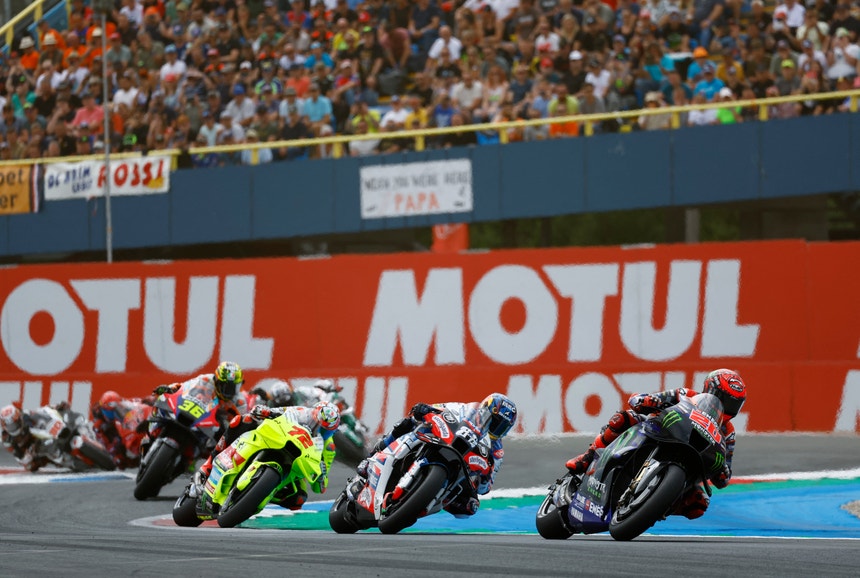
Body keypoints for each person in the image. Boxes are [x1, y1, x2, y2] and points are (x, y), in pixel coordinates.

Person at [565, 368, 747, 519]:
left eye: (733, 404)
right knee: (622, 418)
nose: (726, 407)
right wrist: (646, 400)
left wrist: (722, 470)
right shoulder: (686, 395)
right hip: (656, 431)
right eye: (724, 399)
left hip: (688, 461)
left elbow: (724, 473)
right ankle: (588, 457)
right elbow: (648, 399)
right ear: (709, 389)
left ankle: (652, 508)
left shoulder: (728, 433)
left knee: (698, 504)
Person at [356, 393, 518, 518]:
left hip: (462, 467)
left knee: (470, 507)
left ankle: (426, 500)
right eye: (494, 421)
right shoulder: (464, 409)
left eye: (502, 427)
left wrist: (484, 478)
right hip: (442, 439)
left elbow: (486, 488)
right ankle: (373, 456)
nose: (495, 428)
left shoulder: (497, 452)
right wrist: (425, 409)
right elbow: (437, 408)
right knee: (407, 423)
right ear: (485, 410)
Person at [194, 400, 340, 511]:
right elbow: (278, 411)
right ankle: (209, 464)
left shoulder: (328, 448)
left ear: (332, 432)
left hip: (297, 465)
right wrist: (265, 411)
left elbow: (320, 488)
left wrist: (322, 475)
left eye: (325, 431)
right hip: (279, 440)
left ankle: (258, 494)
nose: (318, 430)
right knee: (242, 420)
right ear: (312, 415)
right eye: (317, 424)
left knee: (298, 499)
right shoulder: (301, 412)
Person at [152, 360, 249, 431]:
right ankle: (152, 432)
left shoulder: (240, 402)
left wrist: (225, 422)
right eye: (226, 386)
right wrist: (170, 388)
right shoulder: (206, 379)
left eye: (234, 387)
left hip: (211, 431)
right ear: (217, 381)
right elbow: (185, 387)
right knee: (162, 408)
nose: (230, 391)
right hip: (193, 414)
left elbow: (238, 428)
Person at [1, 401, 74, 472]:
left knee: (56, 413)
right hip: (31, 449)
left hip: (38, 435)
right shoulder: (7, 439)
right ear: (4, 427)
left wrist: (56, 407)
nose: (14, 427)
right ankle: (59, 460)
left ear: (19, 418)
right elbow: (17, 455)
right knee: (30, 466)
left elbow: (41, 411)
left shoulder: (25, 414)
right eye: (10, 426)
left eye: (15, 424)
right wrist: (23, 455)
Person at [90, 391, 154, 469]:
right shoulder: (99, 425)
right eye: (108, 412)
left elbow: (140, 402)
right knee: (119, 461)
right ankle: (138, 462)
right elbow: (106, 444)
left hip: (132, 426)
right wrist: (116, 455)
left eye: (116, 409)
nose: (112, 414)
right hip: (121, 439)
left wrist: (150, 400)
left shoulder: (124, 403)